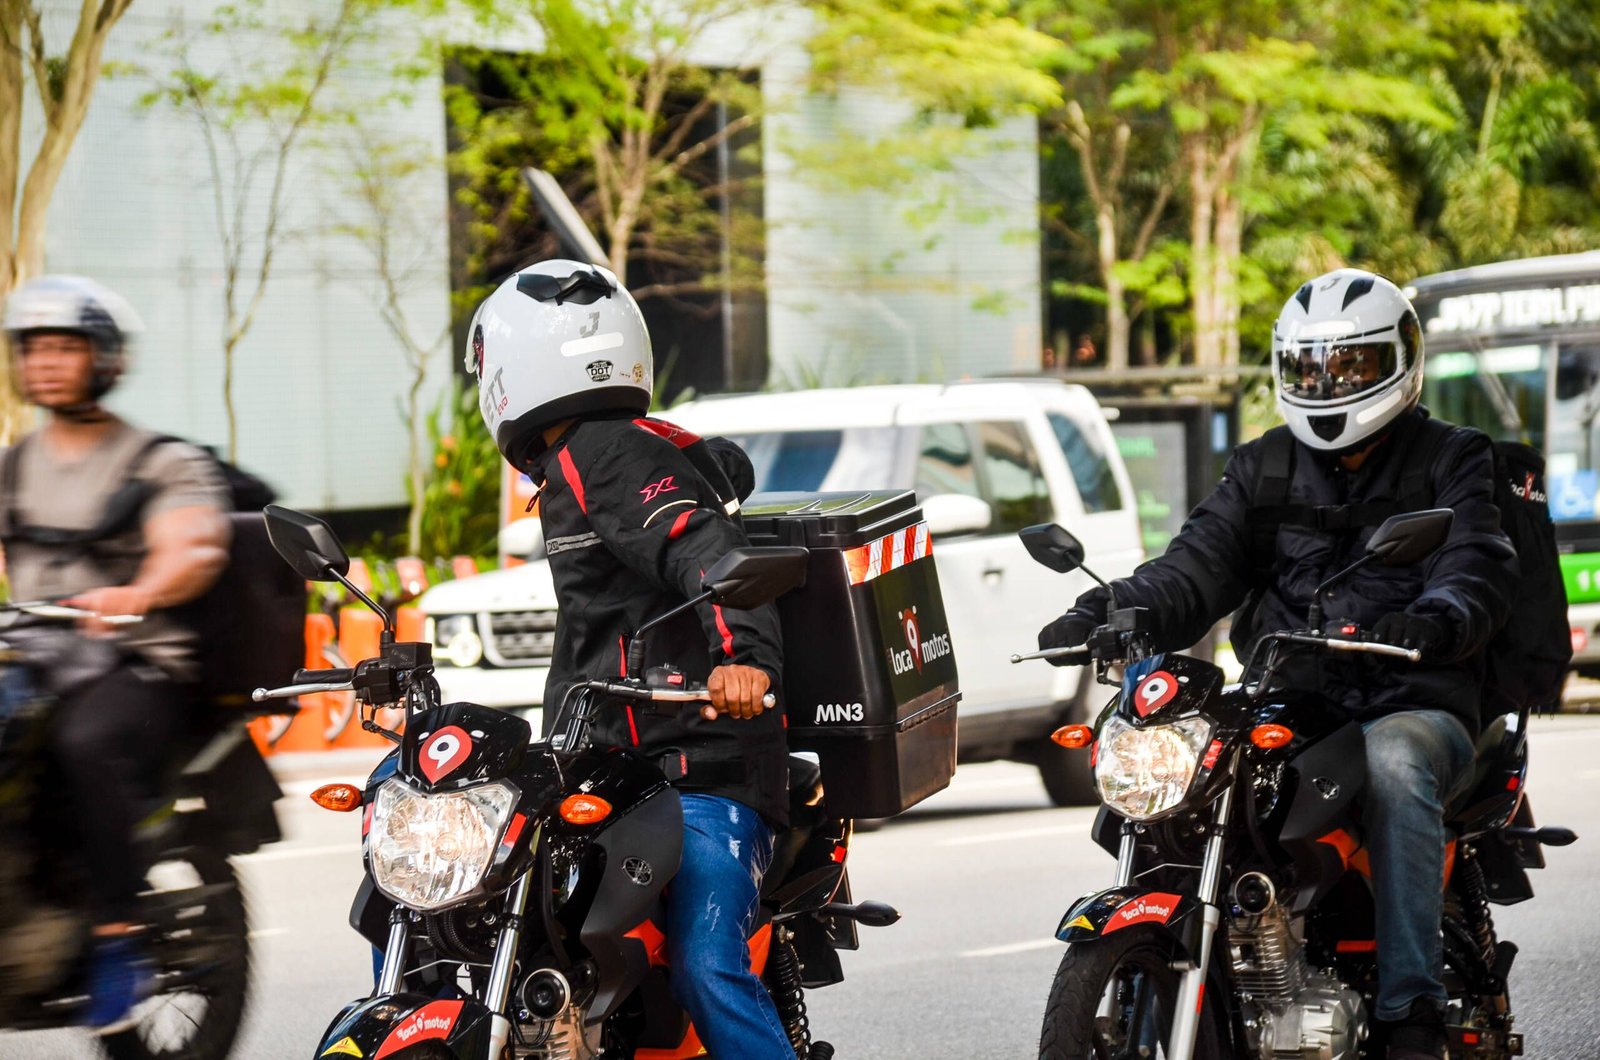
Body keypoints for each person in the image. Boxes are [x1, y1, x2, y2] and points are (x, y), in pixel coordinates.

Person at [1038, 268, 1516, 1060]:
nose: (1328, 384)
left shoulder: (1453, 457)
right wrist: (1113, 608)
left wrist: (1438, 618)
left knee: (1393, 760)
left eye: (1351, 366)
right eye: (1310, 367)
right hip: (1293, 698)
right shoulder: (1262, 464)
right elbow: (1194, 566)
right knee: (1197, 771)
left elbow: (1478, 564)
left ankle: (1410, 1014)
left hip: (1413, 695)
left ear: (1398, 360)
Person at [467, 260, 795, 1058]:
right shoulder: (584, 459)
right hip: (612, 769)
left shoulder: (604, 451)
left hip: (701, 767)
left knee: (705, 964)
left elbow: (703, 554)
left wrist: (743, 662)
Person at [0, 276, 231, 1031]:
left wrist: (140, 589)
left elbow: (192, 543)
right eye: (34, 348)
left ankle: (116, 937)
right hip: (32, 656)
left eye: (64, 346)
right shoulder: (13, 465)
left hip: (137, 663)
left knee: (84, 742)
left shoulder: (158, 460)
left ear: (103, 359)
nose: (46, 362)